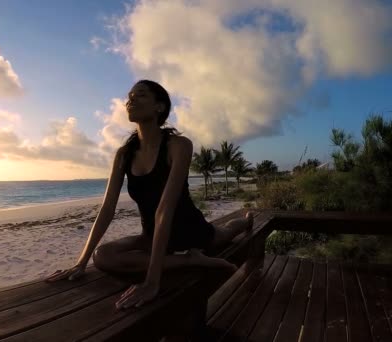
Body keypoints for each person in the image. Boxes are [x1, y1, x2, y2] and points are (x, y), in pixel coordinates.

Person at [45, 80, 254, 311]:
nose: (130, 100)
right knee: (102, 256)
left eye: (141, 95)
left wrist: (152, 282)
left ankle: (245, 220)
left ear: (160, 107)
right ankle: (189, 259)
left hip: (191, 231)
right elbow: (107, 208)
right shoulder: (124, 154)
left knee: (227, 232)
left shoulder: (179, 145)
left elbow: (164, 210)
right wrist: (80, 263)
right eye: (129, 96)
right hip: (151, 236)